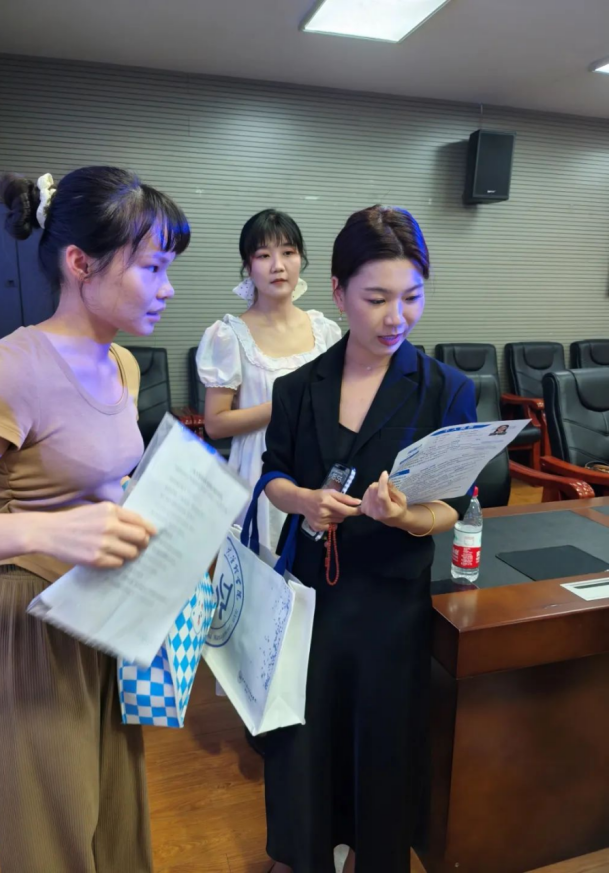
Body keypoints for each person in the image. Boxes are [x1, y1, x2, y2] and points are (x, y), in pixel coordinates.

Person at [0, 166, 191, 873]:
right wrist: (46, 528)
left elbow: (95, 478)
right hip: (28, 626)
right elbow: (52, 514)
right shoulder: (11, 368)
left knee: (114, 831)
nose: (167, 288)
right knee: (51, 844)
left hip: (99, 613)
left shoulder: (120, 364)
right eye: (151, 268)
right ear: (80, 263)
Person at [261, 206, 477, 873]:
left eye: (411, 296)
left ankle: (371, 856)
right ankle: (303, 853)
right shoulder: (298, 388)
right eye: (376, 298)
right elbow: (272, 474)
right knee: (304, 741)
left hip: (390, 605)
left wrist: (404, 516)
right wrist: (302, 499)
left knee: (381, 748)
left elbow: (452, 505)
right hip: (309, 600)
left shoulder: (444, 390)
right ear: (337, 290)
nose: (396, 317)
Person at [196, 209, 341, 550]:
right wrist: (285, 406)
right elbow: (215, 424)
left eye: (288, 252)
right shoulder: (229, 335)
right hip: (258, 472)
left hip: (318, 468)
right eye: (264, 255)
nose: (278, 265)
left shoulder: (326, 331)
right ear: (248, 266)